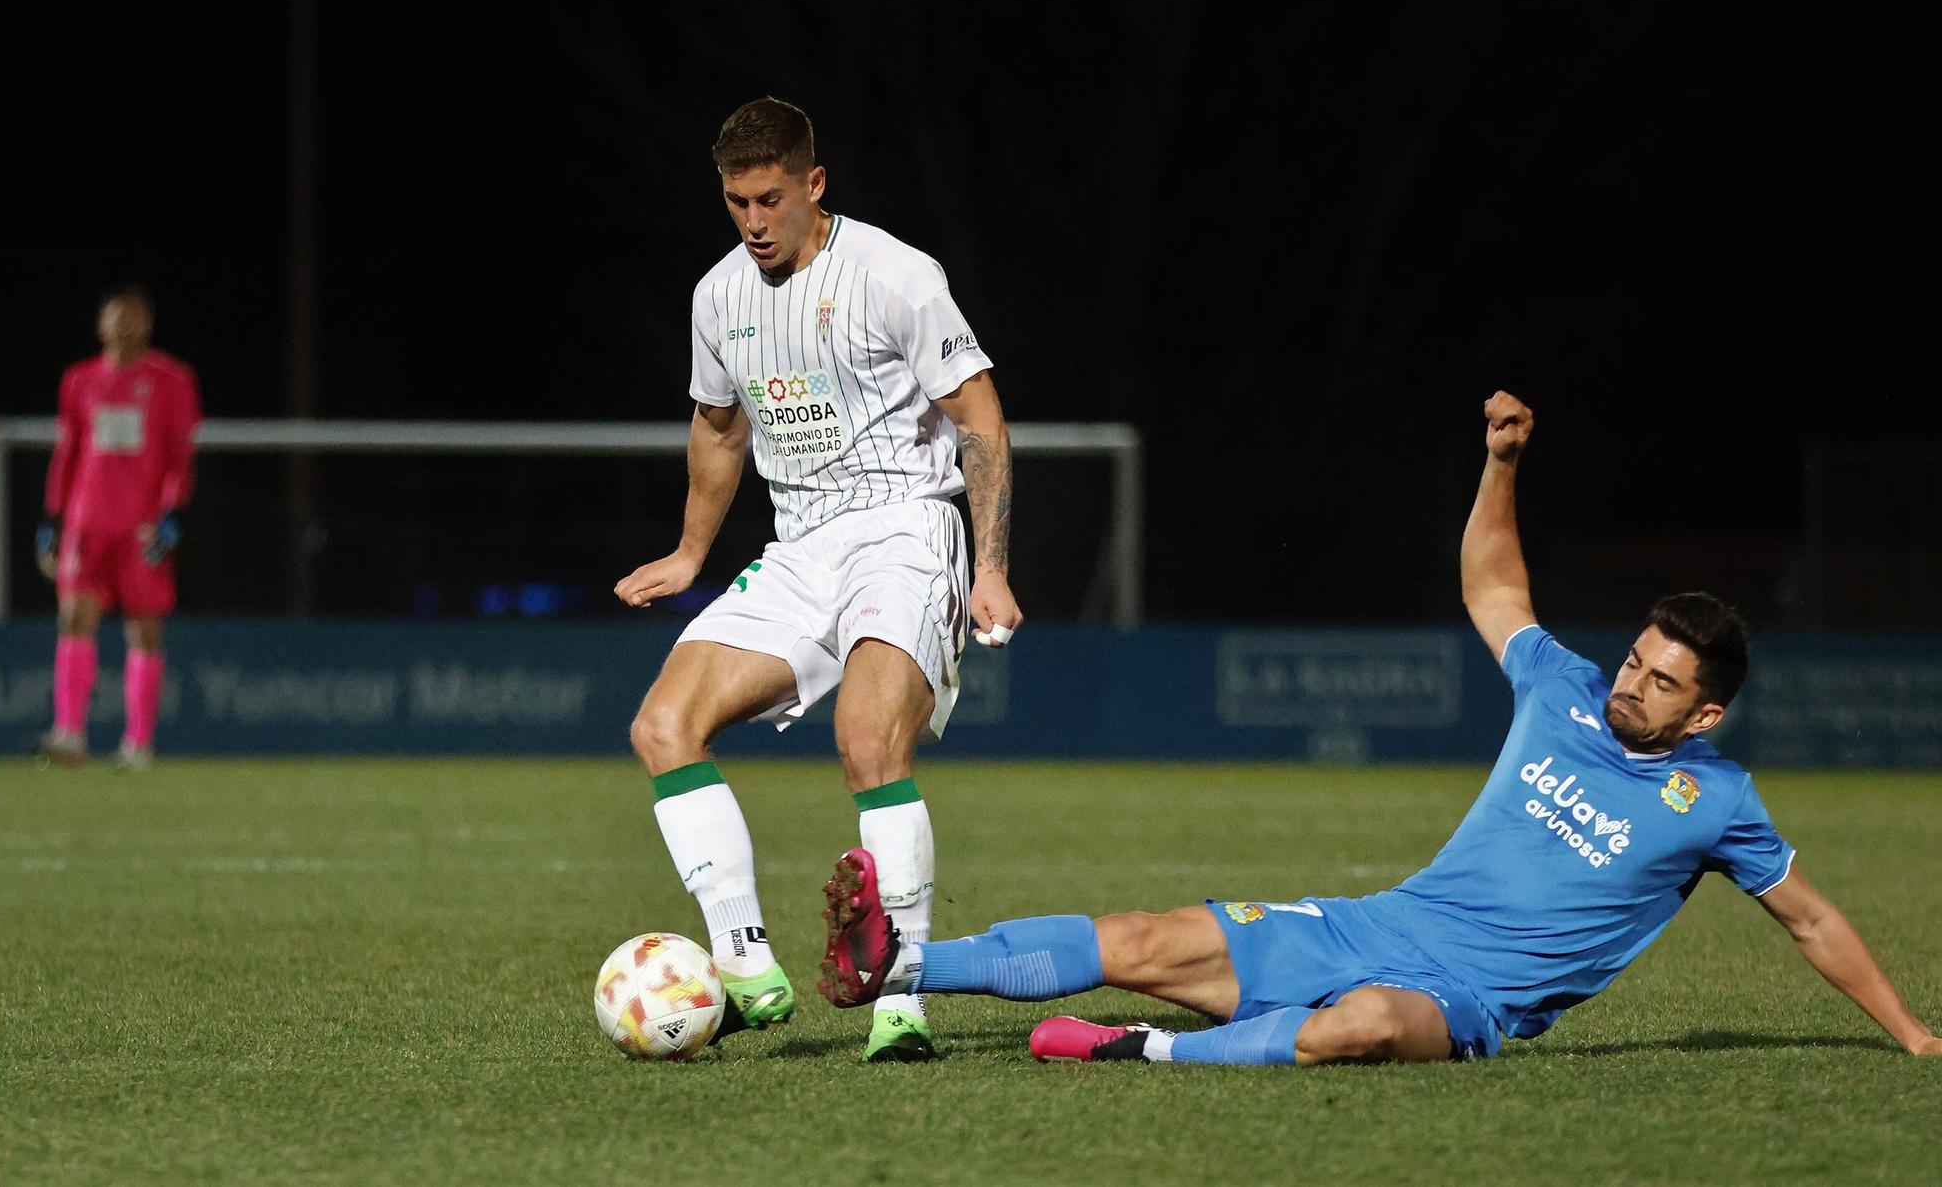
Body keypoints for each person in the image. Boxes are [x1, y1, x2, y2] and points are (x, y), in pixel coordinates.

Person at [819, 390, 1941, 1065]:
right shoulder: (1560, 688)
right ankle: (893, 963)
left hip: (1465, 1001)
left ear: (1704, 713)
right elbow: (1494, 588)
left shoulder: (1721, 805)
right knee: (1146, 937)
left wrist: (1908, 1031)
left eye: (1658, 684)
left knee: (1356, 1031)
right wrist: (1499, 466)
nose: (1628, 685)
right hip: (1371, 923)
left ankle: (1141, 1048)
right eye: (1633, 660)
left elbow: (1808, 922)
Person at [615, 97, 1022, 1062]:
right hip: (801, 546)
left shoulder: (897, 276)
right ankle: (745, 961)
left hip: (908, 530)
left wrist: (992, 567)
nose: (753, 222)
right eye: (734, 202)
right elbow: (719, 428)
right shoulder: (719, 297)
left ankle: (905, 999)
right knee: (662, 726)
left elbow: (982, 423)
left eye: (768, 199)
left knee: (866, 743)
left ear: (813, 184)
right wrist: (689, 555)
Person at [35, 285, 203, 771]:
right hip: (87, 524)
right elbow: (67, 453)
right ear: (100, 325)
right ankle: (69, 733)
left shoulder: (172, 380)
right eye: (116, 317)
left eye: (135, 317)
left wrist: (173, 515)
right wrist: (52, 518)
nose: (125, 325)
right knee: (73, 618)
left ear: (148, 324)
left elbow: (179, 456)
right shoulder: (79, 381)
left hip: (142, 529)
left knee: (144, 631)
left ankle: (138, 742)